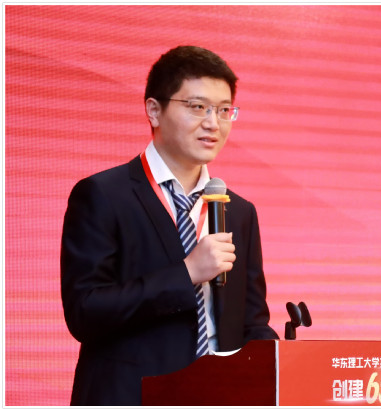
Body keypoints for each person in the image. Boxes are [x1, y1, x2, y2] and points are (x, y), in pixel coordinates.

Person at [60, 45, 279, 405]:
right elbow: (85, 312)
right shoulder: (103, 195)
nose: (213, 123)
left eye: (224, 110)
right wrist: (187, 273)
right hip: (131, 396)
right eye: (197, 107)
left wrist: (285, 365)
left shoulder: (239, 211)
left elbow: (251, 321)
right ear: (154, 110)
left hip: (218, 397)